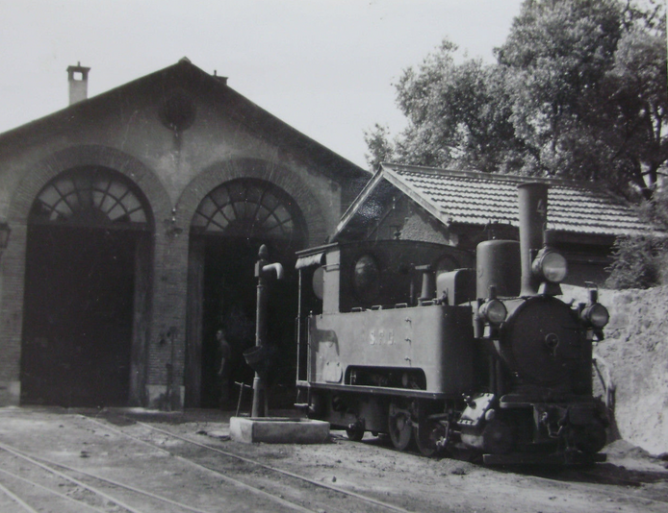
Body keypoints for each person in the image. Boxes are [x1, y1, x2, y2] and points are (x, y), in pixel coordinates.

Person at [216, 329, 231, 409]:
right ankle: (223, 405)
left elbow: (224, 358)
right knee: (223, 386)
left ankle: (224, 405)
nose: (217, 335)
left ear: (223, 335)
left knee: (223, 386)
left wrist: (221, 369)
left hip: (224, 369)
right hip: (225, 369)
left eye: (219, 334)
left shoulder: (223, 345)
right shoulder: (224, 344)